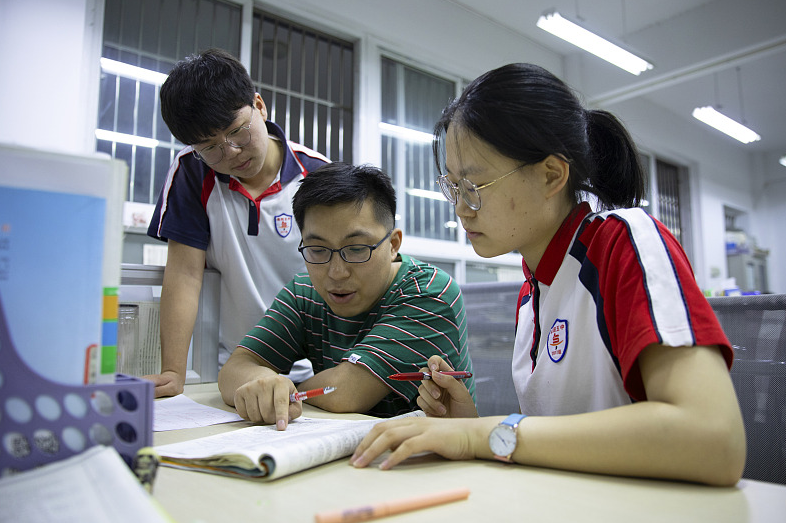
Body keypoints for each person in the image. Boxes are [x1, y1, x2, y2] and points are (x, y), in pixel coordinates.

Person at [350, 63, 746, 487]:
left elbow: (714, 439)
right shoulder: (533, 291)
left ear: (552, 174)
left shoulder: (622, 242)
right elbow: (565, 444)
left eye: (475, 186)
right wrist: (464, 425)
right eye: (453, 186)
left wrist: (482, 436)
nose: (461, 207)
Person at [217, 162, 476, 430]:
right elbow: (234, 370)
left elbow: (345, 392)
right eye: (317, 250)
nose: (336, 272)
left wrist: (286, 390)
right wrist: (263, 382)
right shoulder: (305, 292)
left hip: (431, 461)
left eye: (356, 249)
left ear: (392, 245)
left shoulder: (429, 292)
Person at [145, 49, 329, 397]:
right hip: (230, 369)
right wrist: (173, 370)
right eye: (210, 146)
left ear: (259, 105)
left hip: (314, 365)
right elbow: (184, 275)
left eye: (237, 132)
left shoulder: (318, 175)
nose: (230, 153)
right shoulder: (191, 171)